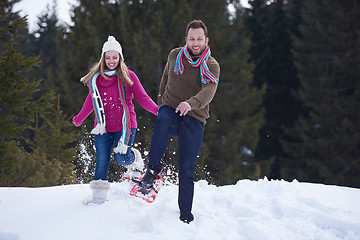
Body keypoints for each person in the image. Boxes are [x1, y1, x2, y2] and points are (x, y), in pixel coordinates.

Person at [139, 20, 220, 223]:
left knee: (186, 169)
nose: (195, 42)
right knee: (163, 119)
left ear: (206, 40)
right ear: (186, 39)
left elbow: (208, 91)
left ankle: (185, 215)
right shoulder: (175, 55)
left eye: (199, 39)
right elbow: (165, 79)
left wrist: (191, 104)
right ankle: (151, 171)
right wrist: (161, 101)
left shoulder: (211, 65)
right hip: (171, 110)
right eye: (192, 38)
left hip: (195, 117)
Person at [73, 36, 158, 203]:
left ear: (120, 58)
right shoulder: (96, 80)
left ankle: (135, 158)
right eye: (108, 57)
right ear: (103, 58)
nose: (111, 61)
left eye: (115, 57)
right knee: (102, 159)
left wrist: (157, 110)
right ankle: (98, 199)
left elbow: (143, 98)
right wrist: (79, 117)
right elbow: (91, 101)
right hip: (103, 127)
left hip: (125, 126)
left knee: (120, 159)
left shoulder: (128, 76)